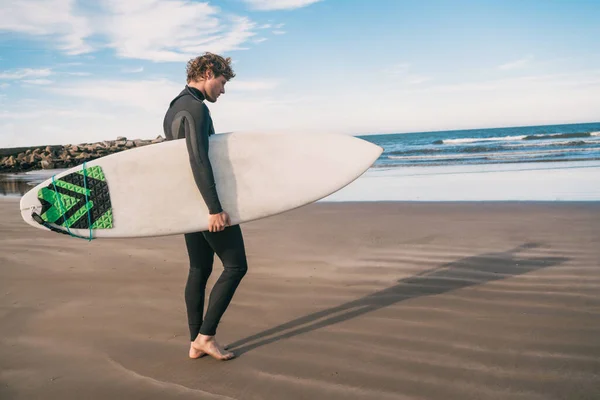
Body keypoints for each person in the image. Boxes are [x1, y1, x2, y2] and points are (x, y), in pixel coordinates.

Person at [162, 52, 247, 361]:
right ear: (209, 72)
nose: (223, 91)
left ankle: (194, 340)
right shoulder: (195, 109)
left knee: (200, 268)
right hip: (204, 203)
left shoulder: (174, 108)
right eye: (222, 83)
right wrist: (214, 208)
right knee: (236, 266)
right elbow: (198, 160)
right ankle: (205, 337)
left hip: (188, 203)